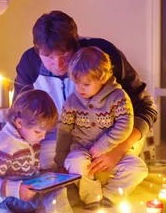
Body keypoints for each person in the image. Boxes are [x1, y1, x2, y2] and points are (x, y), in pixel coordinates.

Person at [14, 11, 158, 174]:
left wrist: (118, 151)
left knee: (126, 171)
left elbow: (146, 108)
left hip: (114, 136)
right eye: (48, 57)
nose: (58, 64)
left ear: (76, 44)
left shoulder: (102, 56)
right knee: (36, 171)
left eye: (64, 55)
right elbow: (18, 116)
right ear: (37, 50)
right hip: (59, 140)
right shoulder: (29, 63)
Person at [0, 89, 86, 213]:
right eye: (38, 132)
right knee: (54, 192)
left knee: (60, 186)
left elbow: (30, 169)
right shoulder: (1, 145)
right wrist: (17, 189)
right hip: (8, 197)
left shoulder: (28, 136)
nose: (42, 137)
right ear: (19, 123)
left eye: (45, 133)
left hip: (29, 182)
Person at [54, 47, 148, 209]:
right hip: (82, 150)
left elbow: (125, 125)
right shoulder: (72, 101)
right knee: (75, 163)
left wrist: (104, 146)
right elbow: (64, 131)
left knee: (138, 168)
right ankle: (92, 196)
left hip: (113, 152)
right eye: (76, 83)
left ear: (103, 78)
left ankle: (110, 194)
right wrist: (60, 158)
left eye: (86, 84)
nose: (80, 89)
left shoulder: (118, 97)